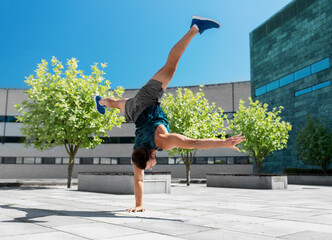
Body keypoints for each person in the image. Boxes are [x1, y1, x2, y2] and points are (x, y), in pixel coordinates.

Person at [94, 16, 246, 212]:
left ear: (150, 155)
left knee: (171, 66)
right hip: (133, 112)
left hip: (146, 102)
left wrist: (223, 143)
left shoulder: (162, 140)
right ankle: (101, 101)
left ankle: (195, 27)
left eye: (149, 165)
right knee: (116, 103)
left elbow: (193, 143)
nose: (150, 168)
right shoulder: (136, 153)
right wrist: (138, 205)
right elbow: (138, 178)